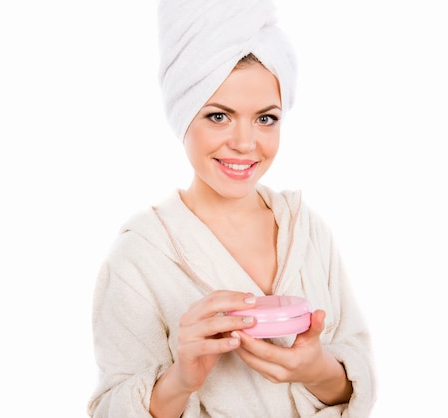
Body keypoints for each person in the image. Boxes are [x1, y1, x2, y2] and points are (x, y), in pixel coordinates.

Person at [87, 1, 376, 417]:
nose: (245, 143)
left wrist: (318, 371)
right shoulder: (140, 258)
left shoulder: (306, 229)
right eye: (218, 116)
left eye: (266, 119)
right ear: (183, 115)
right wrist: (180, 380)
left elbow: (356, 371)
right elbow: (109, 409)